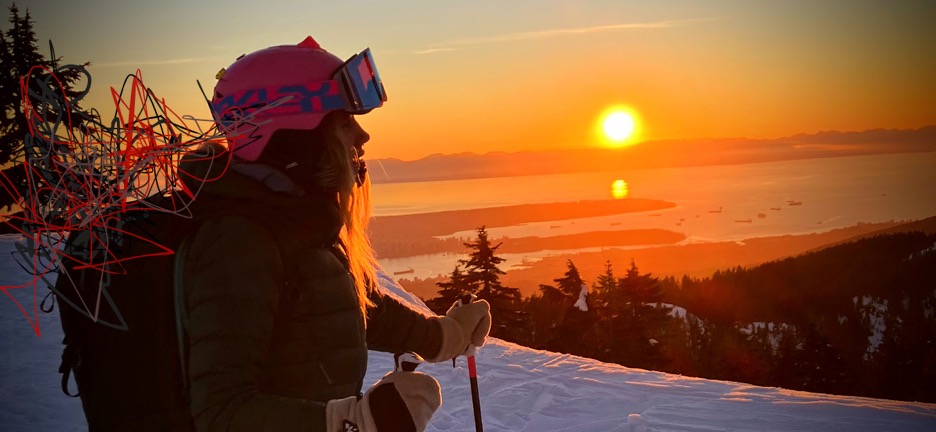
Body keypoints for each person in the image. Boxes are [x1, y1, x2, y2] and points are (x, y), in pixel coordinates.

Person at [176, 36, 492, 432]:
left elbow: (349, 309)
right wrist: (352, 422)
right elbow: (221, 412)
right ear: (294, 139)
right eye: (344, 122)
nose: (362, 138)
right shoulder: (237, 244)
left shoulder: (295, 224)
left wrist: (446, 336)